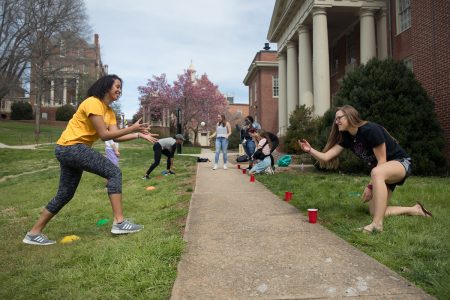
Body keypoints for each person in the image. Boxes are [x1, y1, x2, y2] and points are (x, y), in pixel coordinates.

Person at [22, 74, 158, 246]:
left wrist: (138, 134)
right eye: (116, 86)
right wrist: (132, 128)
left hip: (69, 149)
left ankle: (33, 233)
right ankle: (119, 222)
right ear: (106, 87)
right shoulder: (93, 102)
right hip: (72, 147)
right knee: (114, 172)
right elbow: (104, 135)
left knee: (65, 194)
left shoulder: (109, 112)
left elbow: (114, 137)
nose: (119, 90)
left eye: (121, 88)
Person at [298, 105, 433, 233]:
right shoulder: (348, 137)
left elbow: (382, 161)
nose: (336, 121)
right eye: (336, 119)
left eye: (339, 118)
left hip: (401, 163)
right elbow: (326, 157)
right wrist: (309, 150)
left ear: (350, 116)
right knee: (376, 211)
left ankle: (377, 225)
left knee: (376, 172)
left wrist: (370, 186)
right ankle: (415, 210)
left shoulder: (370, 130)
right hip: (383, 172)